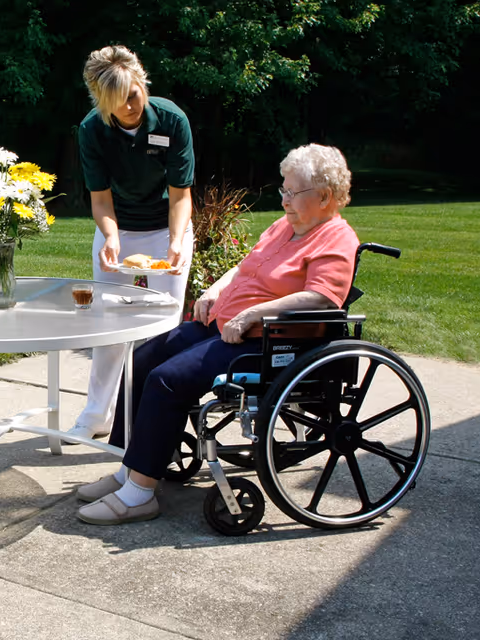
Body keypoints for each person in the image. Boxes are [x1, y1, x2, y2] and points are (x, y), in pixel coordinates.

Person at [75, 143, 360, 525]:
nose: (284, 201)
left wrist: (253, 314)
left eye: (293, 193)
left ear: (325, 197)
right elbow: (245, 267)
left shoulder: (336, 238)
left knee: (168, 381)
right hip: (225, 325)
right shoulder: (284, 227)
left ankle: (140, 494)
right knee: (140, 363)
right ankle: (128, 470)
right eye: (284, 190)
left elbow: (323, 296)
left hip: (265, 341)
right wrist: (214, 291)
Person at [67, 45, 195, 442]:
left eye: (133, 95)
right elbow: (101, 199)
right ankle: (96, 415)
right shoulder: (92, 130)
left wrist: (175, 241)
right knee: (107, 324)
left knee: (164, 326)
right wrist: (110, 237)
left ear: (142, 82)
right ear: (101, 100)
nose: (129, 106)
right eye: (118, 102)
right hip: (118, 231)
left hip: (166, 230)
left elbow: (181, 196)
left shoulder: (172, 121)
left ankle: (153, 416)